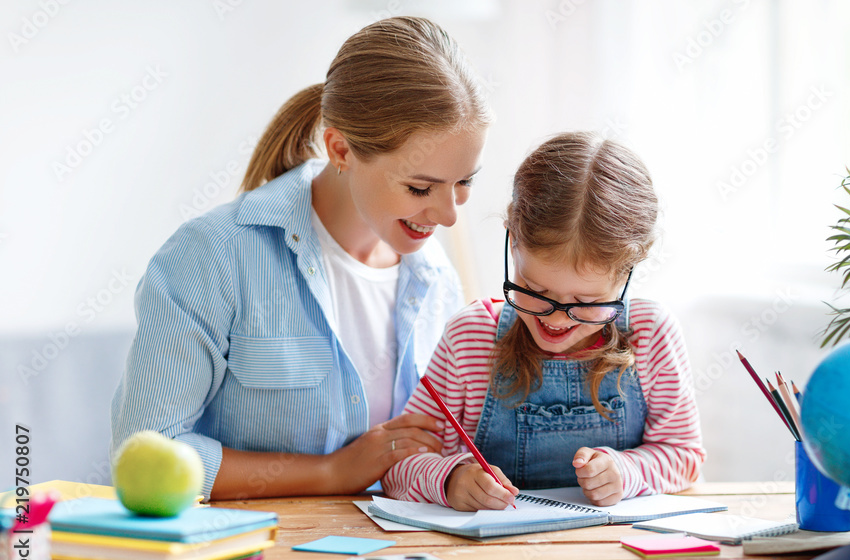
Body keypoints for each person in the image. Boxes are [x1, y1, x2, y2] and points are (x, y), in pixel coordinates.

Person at [111, 17, 491, 501]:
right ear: (341, 149)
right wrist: (331, 473)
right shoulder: (212, 255)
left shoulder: (434, 275)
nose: (448, 215)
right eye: (420, 187)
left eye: (464, 182)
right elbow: (143, 451)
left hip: (393, 555)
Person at [383, 132, 706, 511]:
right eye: (534, 289)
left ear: (626, 275)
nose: (554, 317)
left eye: (585, 302)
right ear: (513, 244)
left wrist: (627, 470)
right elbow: (397, 463)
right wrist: (450, 480)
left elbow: (684, 457)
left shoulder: (650, 334)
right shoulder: (471, 336)